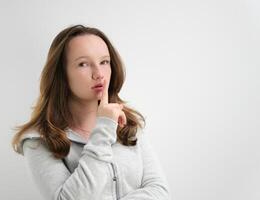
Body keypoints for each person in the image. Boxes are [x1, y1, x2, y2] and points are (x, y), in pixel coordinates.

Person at [11, 24, 170, 200]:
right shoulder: (38, 140)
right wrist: (104, 129)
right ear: (61, 74)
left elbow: (159, 191)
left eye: (104, 62)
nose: (99, 74)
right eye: (83, 64)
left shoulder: (129, 123)